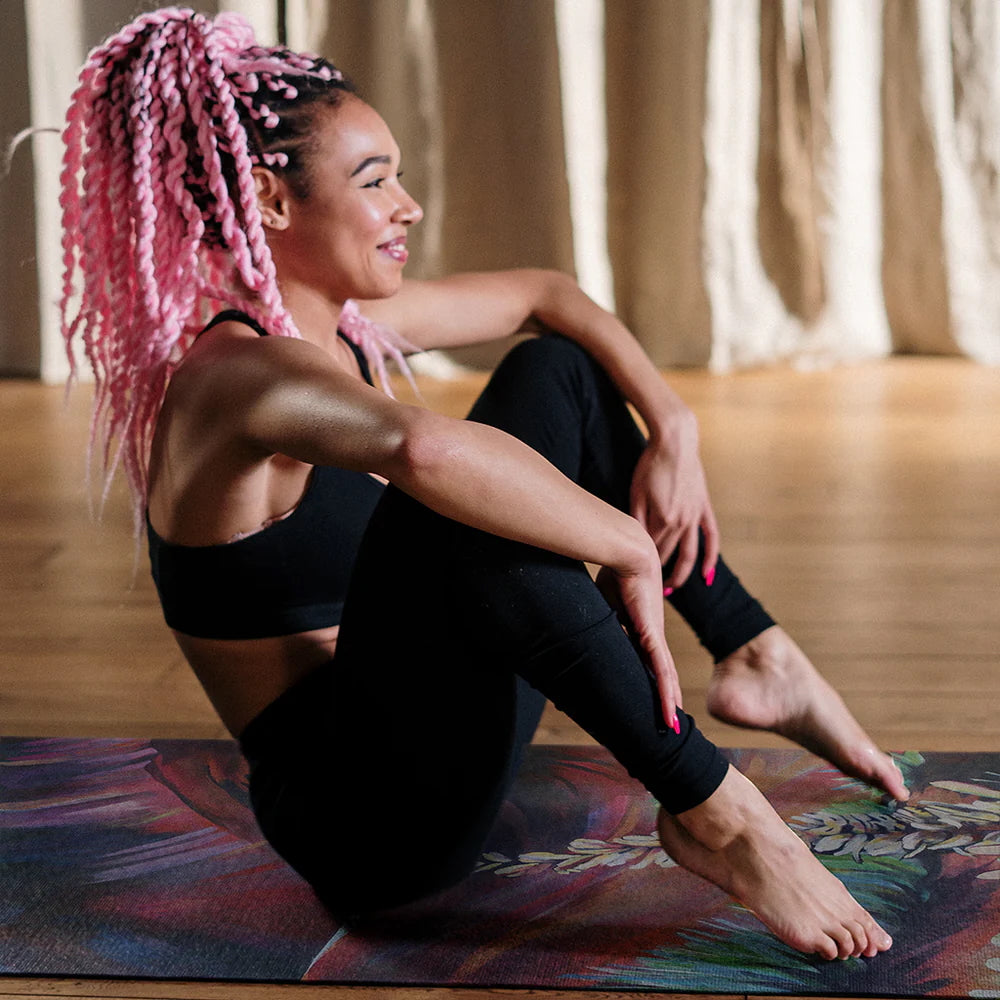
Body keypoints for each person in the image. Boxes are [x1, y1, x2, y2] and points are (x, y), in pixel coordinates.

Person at [58, 8, 905, 961]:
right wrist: (620, 541)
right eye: (375, 182)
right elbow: (427, 454)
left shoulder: (340, 333)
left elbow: (548, 294)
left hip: (445, 744)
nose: (408, 206)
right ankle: (720, 814)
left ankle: (751, 646)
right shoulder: (239, 379)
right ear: (270, 200)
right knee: (458, 507)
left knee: (559, 374)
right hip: (365, 824)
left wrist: (675, 422)